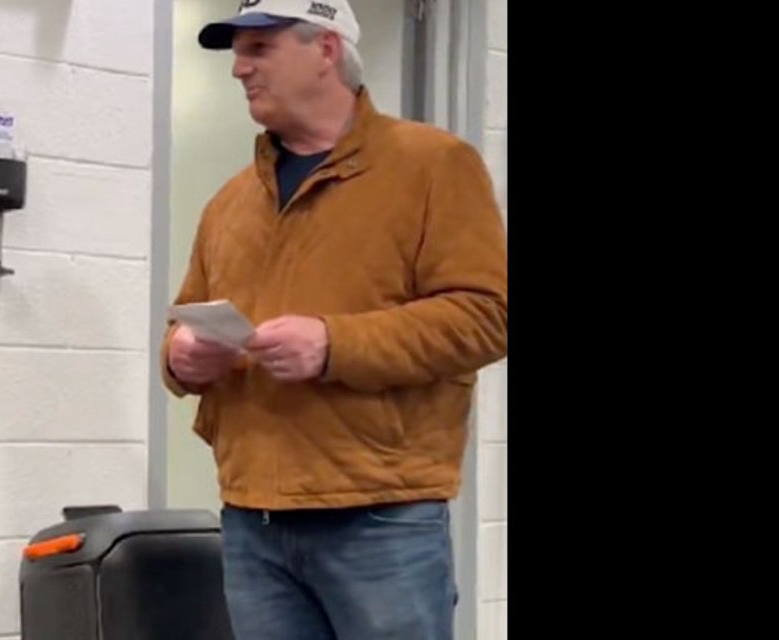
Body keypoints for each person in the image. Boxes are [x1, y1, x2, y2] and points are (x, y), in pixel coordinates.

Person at [164, 1, 509, 639]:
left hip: (380, 518)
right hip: (252, 521)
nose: (239, 69)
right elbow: (183, 321)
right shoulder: (230, 202)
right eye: (237, 52)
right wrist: (181, 357)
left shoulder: (434, 167)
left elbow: (487, 316)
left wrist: (333, 343)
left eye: (258, 49)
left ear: (325, 49)